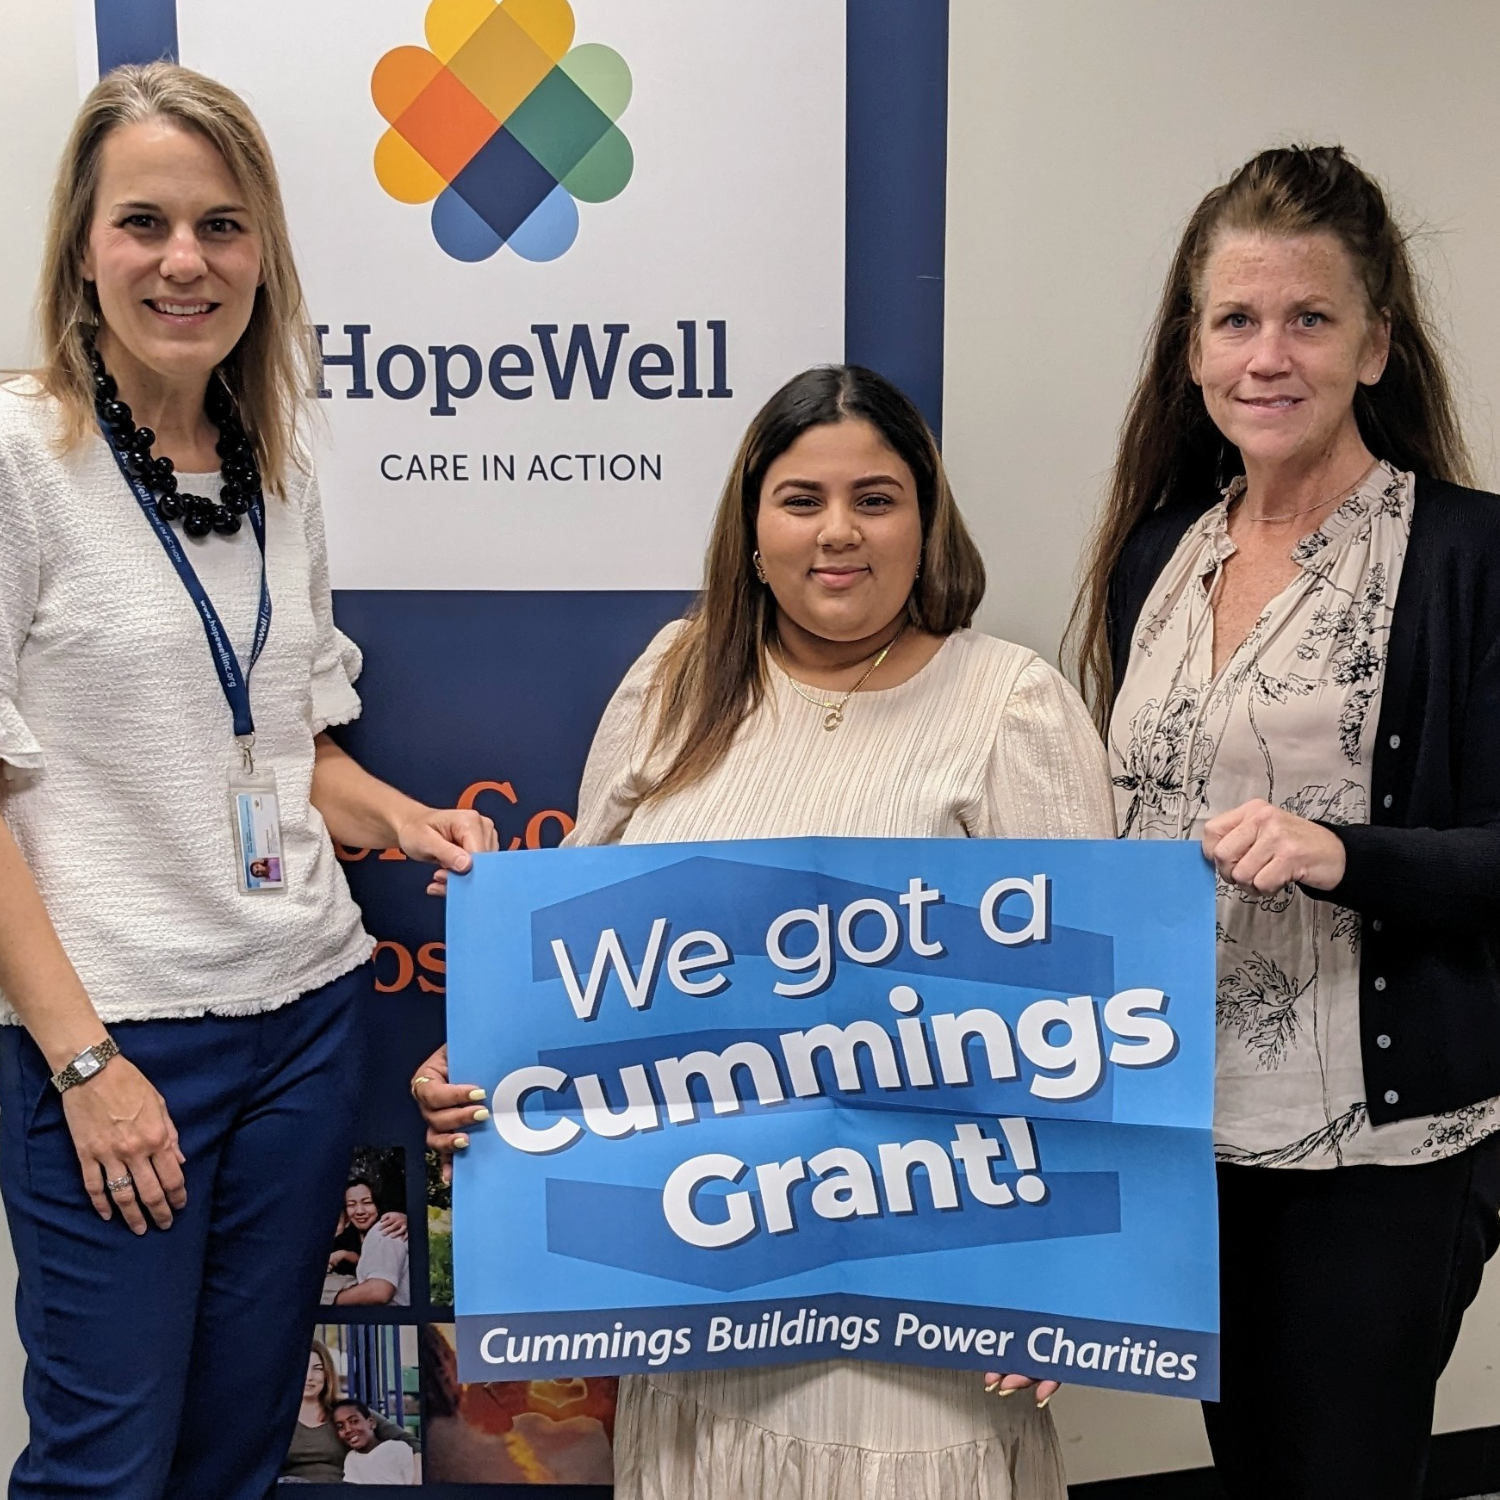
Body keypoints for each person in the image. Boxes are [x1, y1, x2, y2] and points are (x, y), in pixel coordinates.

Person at [414, 365, 1117, 1499]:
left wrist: (1055, 1288)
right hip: (696, 1316)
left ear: (926, 521)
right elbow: (584, 965)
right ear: (751, 526)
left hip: (910, 1326)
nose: (838, 533)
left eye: (876, 498)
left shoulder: (1011, 705)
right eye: (801, 499)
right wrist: (487, 1060)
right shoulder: (679, 678)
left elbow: (1082, 1027)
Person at [0, 62, 497, 1500]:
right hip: (121, 1040)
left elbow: (291, 747)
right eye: (142, 223)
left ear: (262, 252)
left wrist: (398, 822)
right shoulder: (23, 456)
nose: (182, 261)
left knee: (235, 1452)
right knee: (107, 1461)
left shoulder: (272, 467)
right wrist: (85, 1067)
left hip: (304, 1021)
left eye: (221, 226)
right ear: (82, 248)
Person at [1069, 144, 1500, 1500]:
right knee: (1248, 1467)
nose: (1270, 355)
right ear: (1191, 347)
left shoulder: (1468, 556)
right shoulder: (1159, 551)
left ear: (1375, 344)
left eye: (1310, 319)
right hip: (1180, 1127)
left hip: (1375, 1152)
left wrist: (1341, 854)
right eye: (1236, 319)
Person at [281, 1342, 416, 1484]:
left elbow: (410, 1442)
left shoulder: (345, 1411)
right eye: (302, 1367)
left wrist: (417, 1479)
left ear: (327, 1373)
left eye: (318, 1369)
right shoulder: (275, 1416)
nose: (309, 1377)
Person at [331, 1175, 411, 1306]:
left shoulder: (387, 1228)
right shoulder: (348, 1239)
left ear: (378, 1204)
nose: (360, 1211)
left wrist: (327, 1300)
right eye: (351, 1205)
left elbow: (379, 1292)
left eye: (367, 1202)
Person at [333, 1399, 419, 1485]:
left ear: (371, 1423)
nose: (348, 1430)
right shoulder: (351, 1458)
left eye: (354, 1421)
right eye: (340, 1427)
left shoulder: (397, 1449)